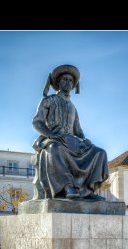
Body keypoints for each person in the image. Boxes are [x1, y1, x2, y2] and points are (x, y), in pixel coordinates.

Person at [31, 64, 109, 200]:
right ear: (58, 82)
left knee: (100, 153)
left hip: (72, 141)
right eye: (65, 79)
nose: (68, 83)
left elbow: (78, 130)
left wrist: (85, 139)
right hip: (54, 139)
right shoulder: (48, 101)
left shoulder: (73, 107)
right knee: (54, 148)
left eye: (71, 81)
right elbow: (37, 122)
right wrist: (51, 135)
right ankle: (67, 187)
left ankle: (88, 190)